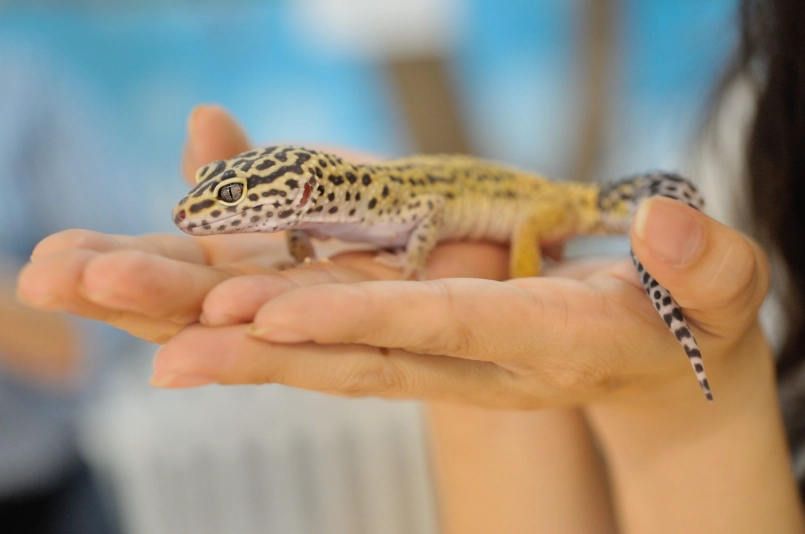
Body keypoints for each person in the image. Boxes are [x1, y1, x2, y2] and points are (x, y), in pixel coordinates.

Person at [16, 0, 805, 531]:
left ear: (293, 190)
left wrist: (466, 278)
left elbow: (424, 221)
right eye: (225, 206)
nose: (209, 218)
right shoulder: (748, 123)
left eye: (227, 207)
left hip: (534, 208)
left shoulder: (388, 204)